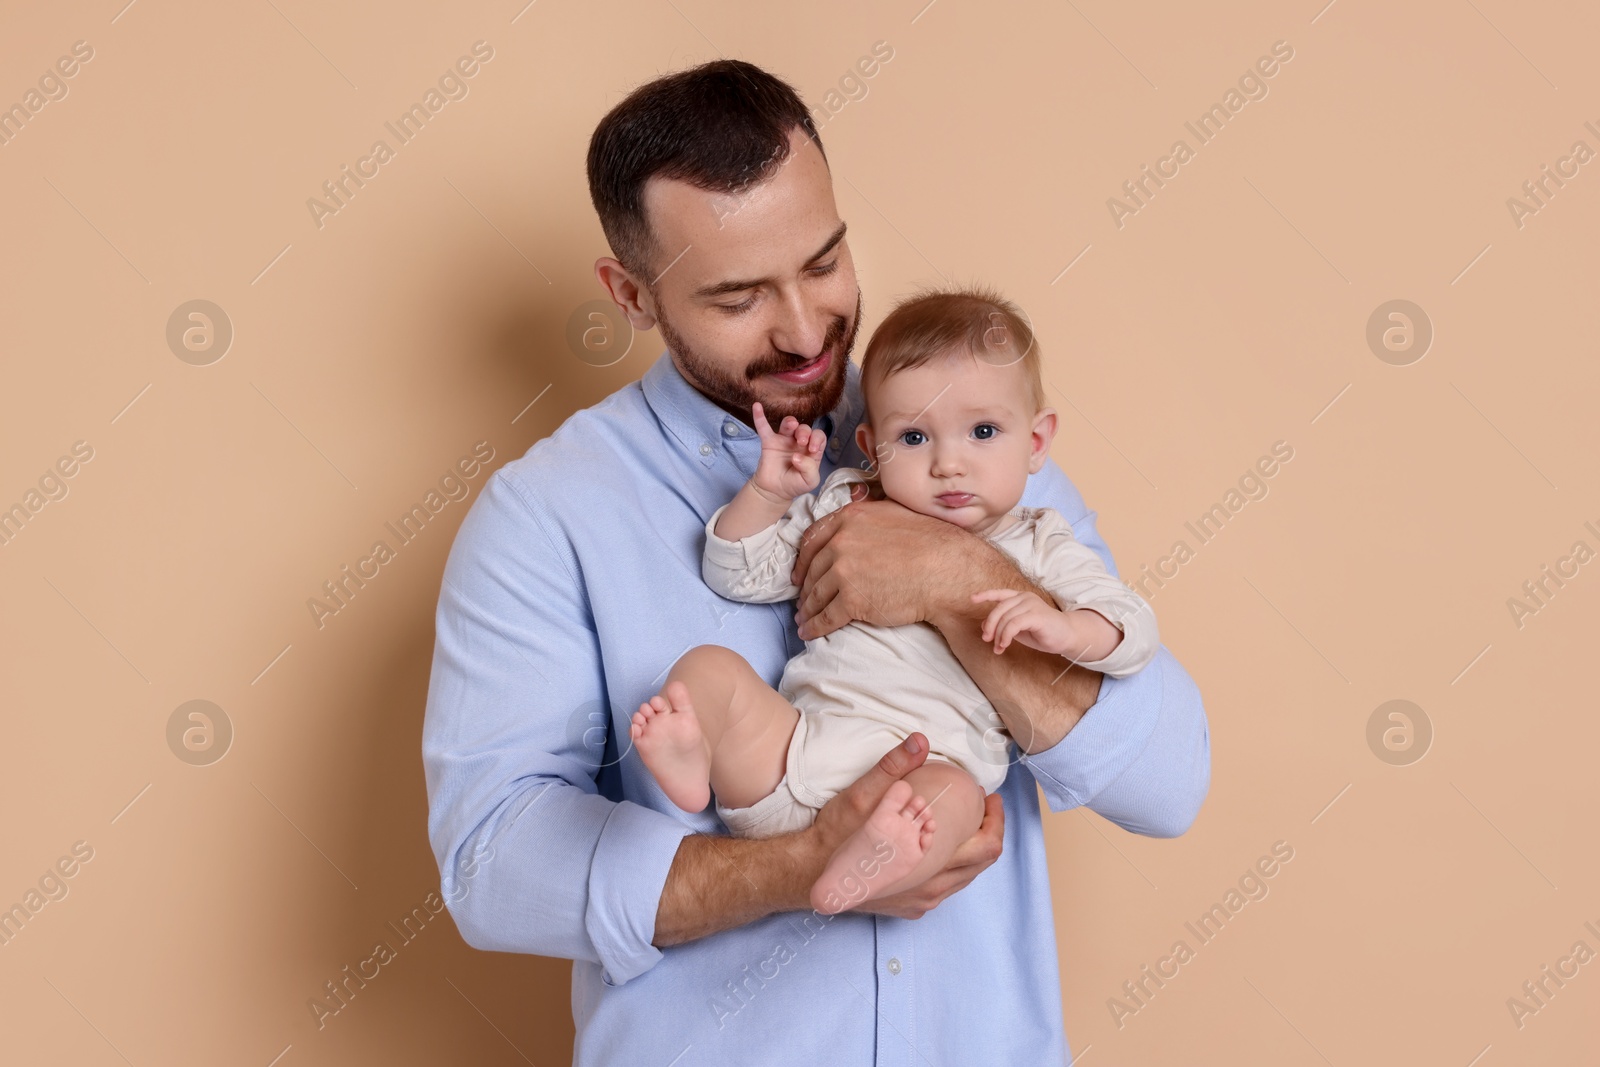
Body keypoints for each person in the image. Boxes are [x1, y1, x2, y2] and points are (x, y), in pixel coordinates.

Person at [422, 58, 1210, 1066]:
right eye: (737, 296)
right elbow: (492, 863)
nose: (802, 330)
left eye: (824, 261)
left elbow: (1168, 779)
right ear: (629, 292)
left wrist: (948, 580)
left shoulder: (958, 440)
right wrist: (794, 867)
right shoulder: (547, 515)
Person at [630, 286, 1160, 918]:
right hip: (796, 755)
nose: (948, 464)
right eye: (913, 438)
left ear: (1038, 441)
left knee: (960, 797)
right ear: (872, 444)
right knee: (707, 670)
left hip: (922, 774)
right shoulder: (849, 504)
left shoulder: (1040, 543)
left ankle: (868, 861)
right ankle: (694, 756)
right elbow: (738, 575)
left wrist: (1068, 630)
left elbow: (1132, 626)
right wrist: (767, 498)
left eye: (983, 431)